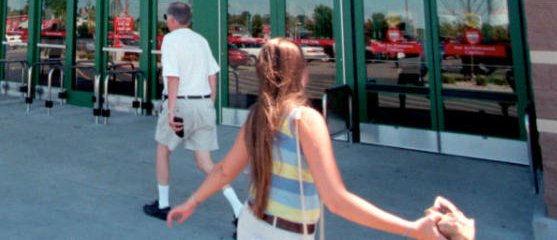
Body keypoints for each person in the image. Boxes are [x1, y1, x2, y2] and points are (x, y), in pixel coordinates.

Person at [166, 38, 449, 239]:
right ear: (299, 73)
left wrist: (192, 201)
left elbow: (224, 170)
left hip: (250, 226)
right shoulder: (305, 120)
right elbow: (336, 201)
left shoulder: (256, 117)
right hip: (287, 232)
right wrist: (411, 229)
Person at [143, 2, 243, 222]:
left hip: (181, 104)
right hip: (203, 104)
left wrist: (171, 111)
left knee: (163, 151)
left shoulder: (170, 40)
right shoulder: (201, 40)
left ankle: (163, 204)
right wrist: (210, 104)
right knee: (205, 162)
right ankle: (239, 208)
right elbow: (213, 76)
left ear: (171, 19)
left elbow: (172, 77)